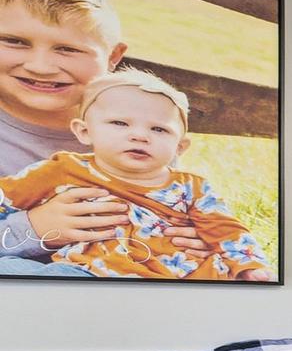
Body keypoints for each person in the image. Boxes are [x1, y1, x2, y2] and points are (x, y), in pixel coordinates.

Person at [0, 0, 205, 274]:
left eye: (67, 49)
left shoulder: (137, 129)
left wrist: (191, 237)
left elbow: (168, 210)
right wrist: (34, 228)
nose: (40, 66)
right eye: (14, 41)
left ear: (112, 57)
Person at [0, 69, 271, 280]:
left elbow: (228, 230)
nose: (140, 135)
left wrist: (250, 266)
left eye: (159, 129)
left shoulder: (191, 188)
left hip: (183, 278)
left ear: (180, 146)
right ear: (84, 131)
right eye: (119, 123)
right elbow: (6, 197)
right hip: (90, 274)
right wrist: (29, 226)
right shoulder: (63, 169)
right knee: (11, 269)